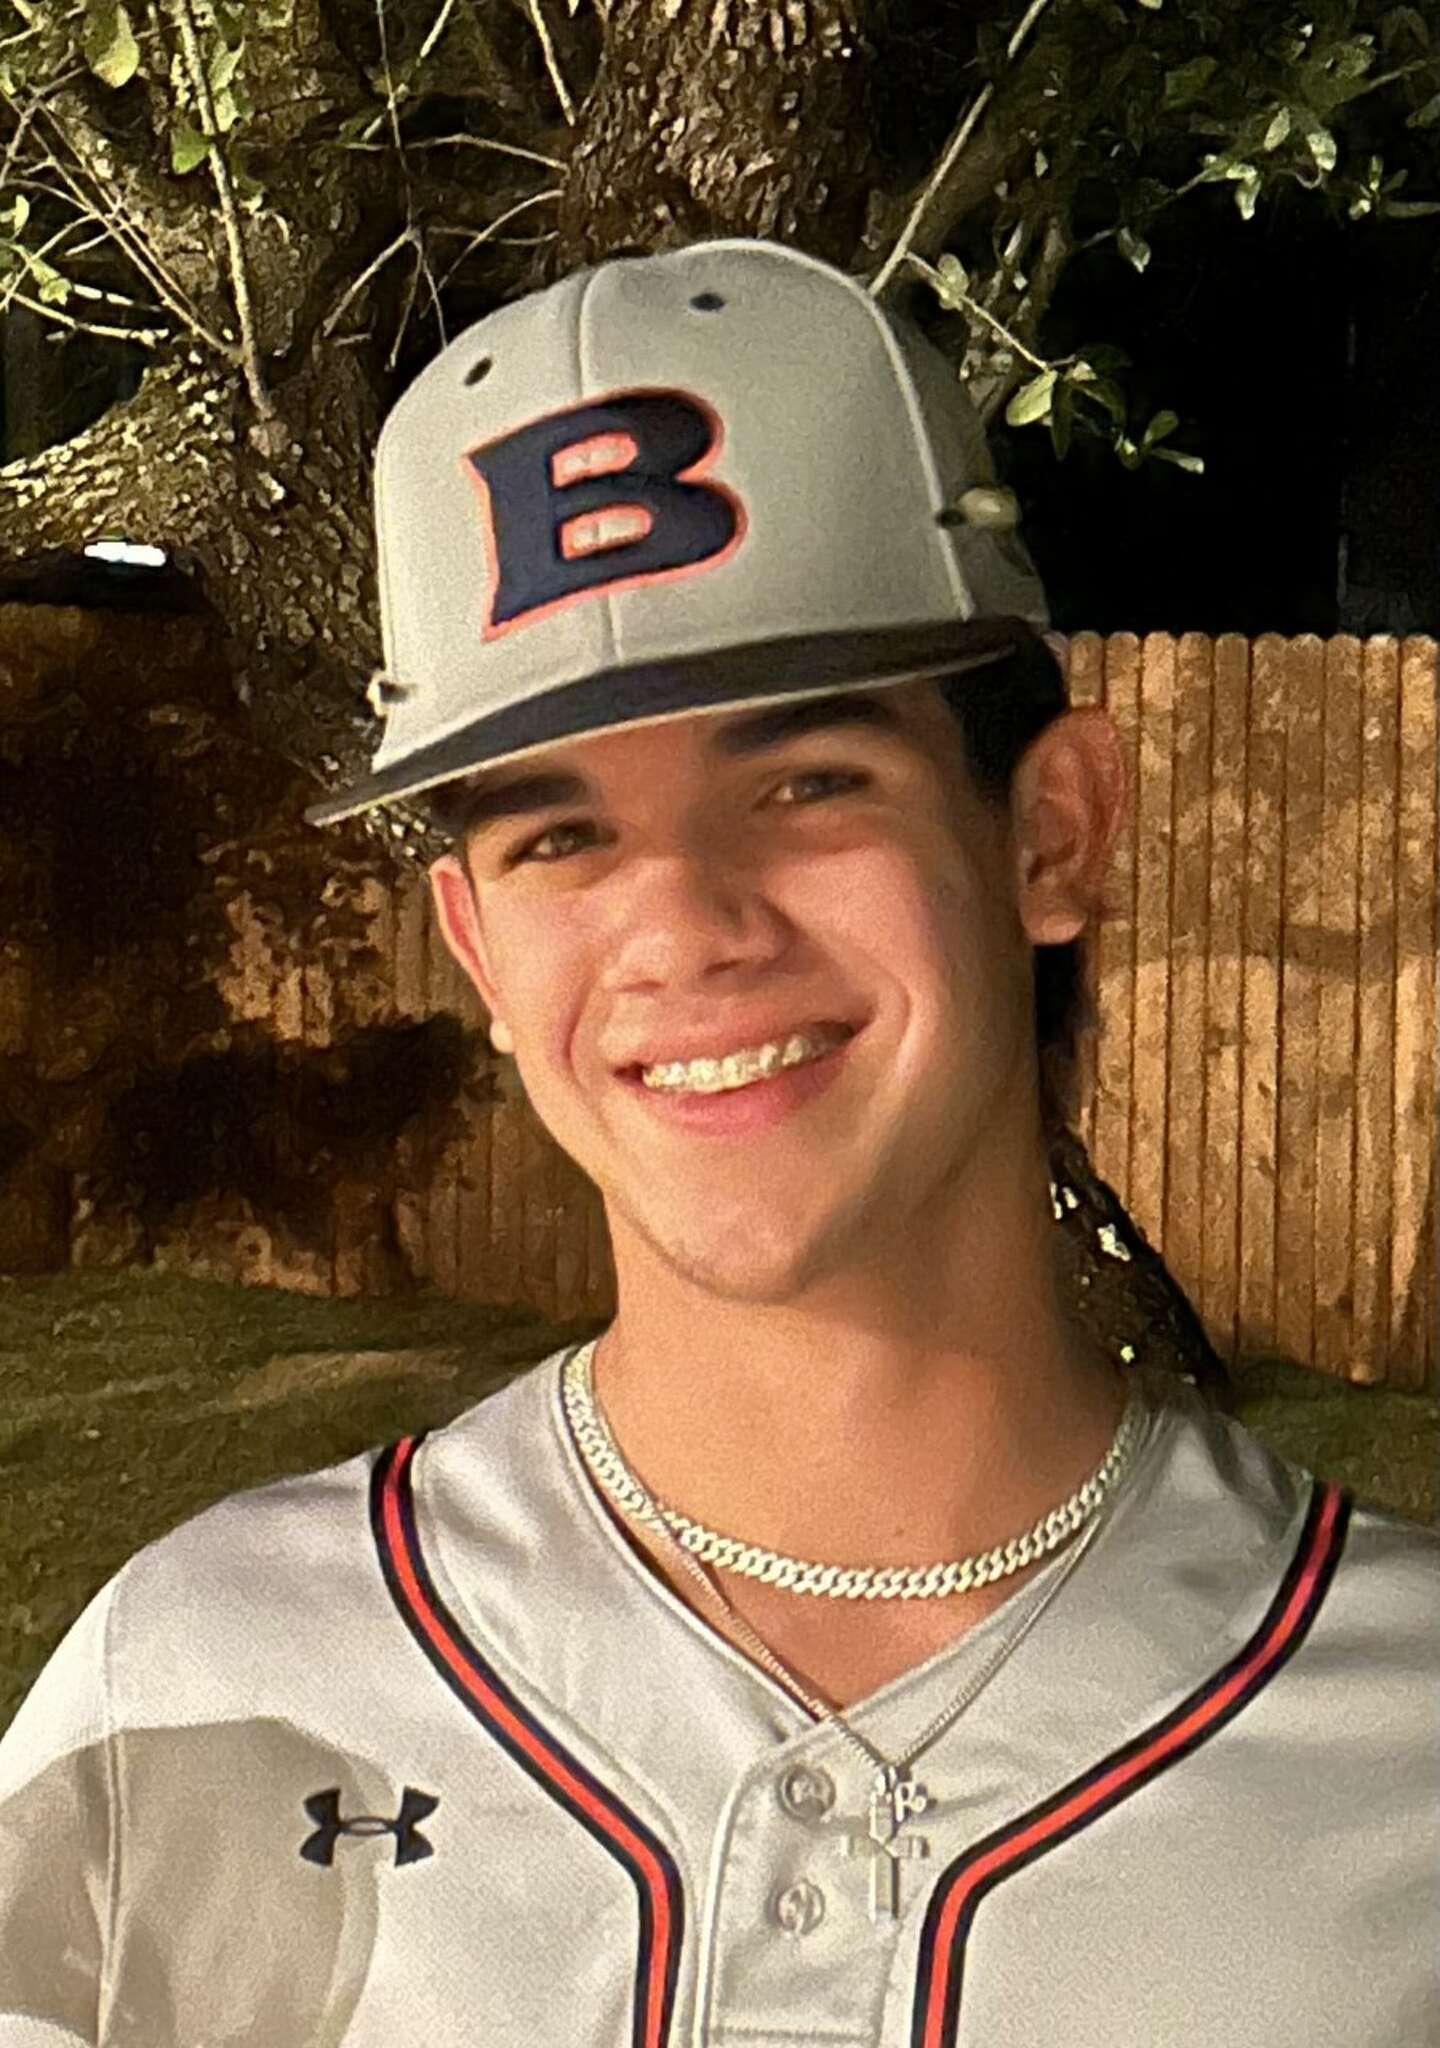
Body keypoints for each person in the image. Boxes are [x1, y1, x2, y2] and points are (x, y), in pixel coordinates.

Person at [0, 237, 1434, 2048]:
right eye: (561, 836)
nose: (681, 927)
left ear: (1050, 832)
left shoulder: (1408, 1761)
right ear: (478, 952)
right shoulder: (190, 1687)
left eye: (808, 782)